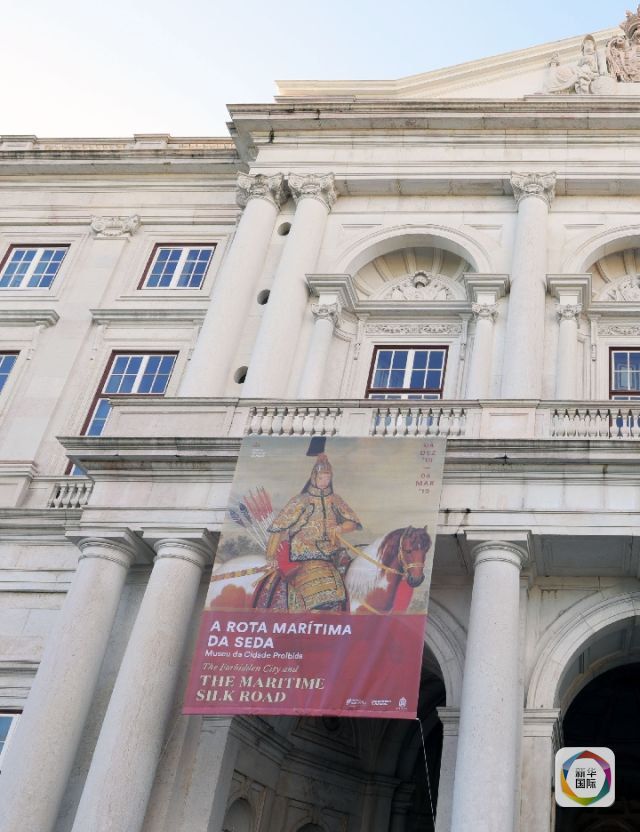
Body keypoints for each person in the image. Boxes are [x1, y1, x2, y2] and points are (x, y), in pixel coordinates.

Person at [253, 453, 362, 611]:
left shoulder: (336, 500)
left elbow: (352, 522)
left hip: (332, 553)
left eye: (328, 478)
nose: (324, 482)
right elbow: (278, 527)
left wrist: (341, 527)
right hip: (307, 553)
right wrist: (271, 556)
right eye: (321, 478)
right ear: (314, 477)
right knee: (322, 587)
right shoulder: (301, 500)